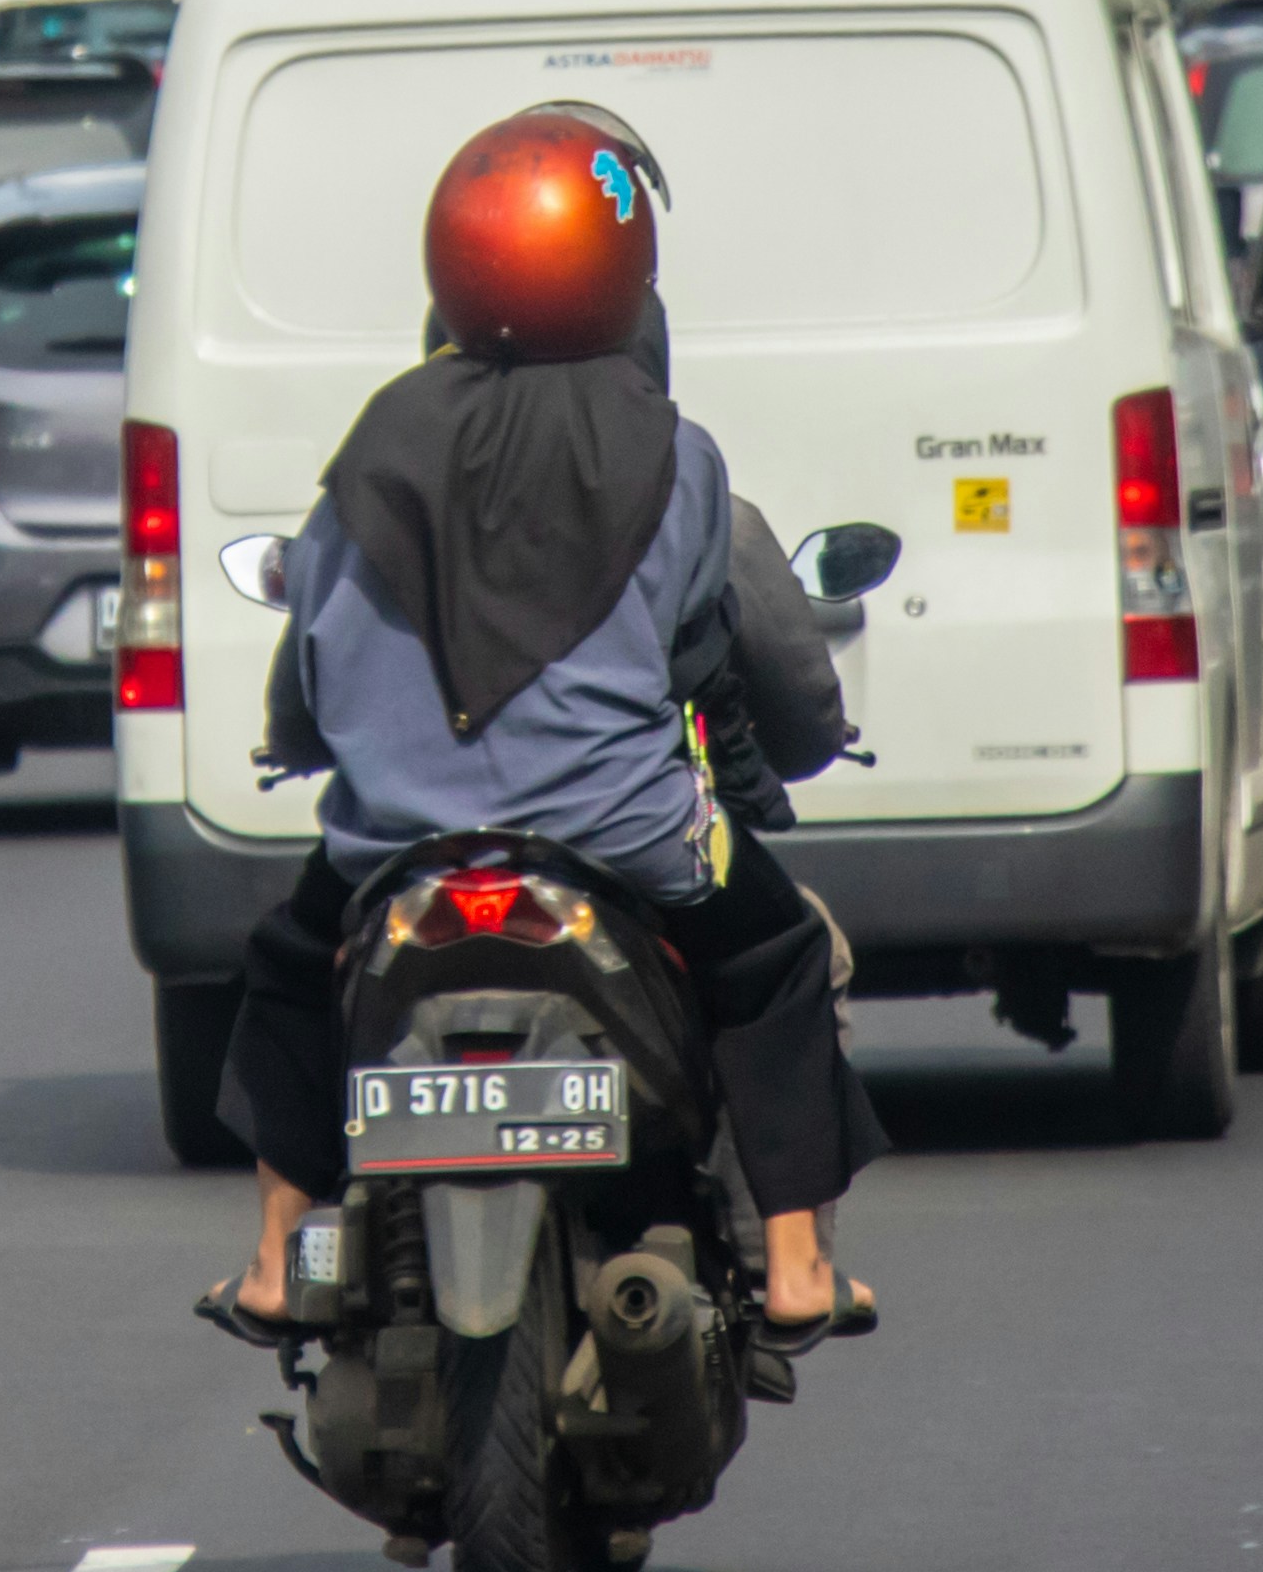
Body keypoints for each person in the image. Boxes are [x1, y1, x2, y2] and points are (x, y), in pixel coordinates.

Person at [210, 106, 885, 1353]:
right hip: (622, 843)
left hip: (395, 848)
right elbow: (718, 640)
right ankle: (793, 1264)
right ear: (626, 273)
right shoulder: (678, 461)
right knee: (780, 955)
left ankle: (269, 1257)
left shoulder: (367, 456)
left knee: (293, 963)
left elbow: (306, 666)